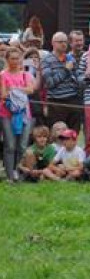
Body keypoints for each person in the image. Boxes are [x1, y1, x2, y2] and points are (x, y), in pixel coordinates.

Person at [1, 46, 38, 181]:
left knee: (22, 144)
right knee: (10, 144)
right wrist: (20, 91)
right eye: (12, 59)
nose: (15, 61)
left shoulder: (25, 74)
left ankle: (19, 171)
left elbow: (31, 89)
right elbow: (3, 94)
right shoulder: (3, 75)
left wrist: (15, 89)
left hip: (24, 114)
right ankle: (10, 174)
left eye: (17, 58)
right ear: (7, 59)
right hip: (7, 114)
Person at [41, 32, 83, 133]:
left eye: (65, 42)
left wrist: (84, 79)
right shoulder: (46, 60)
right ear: (53, 43)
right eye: (60, 42)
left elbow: (79, 78)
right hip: (56, 103)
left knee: (73, 133)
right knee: (58, 135)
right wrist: (65, 70)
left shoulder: (70, 58)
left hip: (73, 100)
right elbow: (50, 83)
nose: (64, 44)